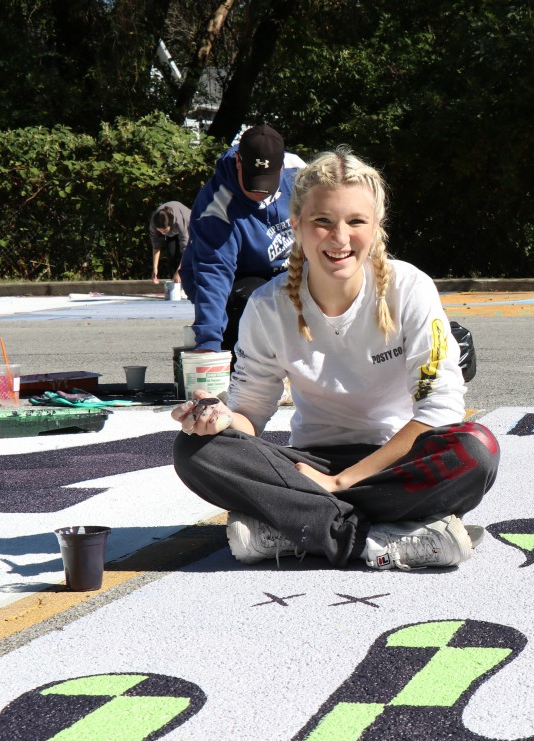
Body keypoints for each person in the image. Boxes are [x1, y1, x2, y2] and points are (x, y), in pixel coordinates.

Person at [171, 146, 500, 571]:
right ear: (297, 226)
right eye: (322, 221)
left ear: (376, 226)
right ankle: (376, 539)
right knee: (195, 450)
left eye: (356, 221)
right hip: (308, 465)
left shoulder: (410, 288)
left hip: (394, 461)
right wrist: (217, 417)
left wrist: (340, 483)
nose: (340, 238)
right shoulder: (267, 306)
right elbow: (251, 412)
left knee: (477, 450)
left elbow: (440, 407)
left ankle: (299, 529)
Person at [180, 124, 307, 353]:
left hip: (288, 267)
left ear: (280, 169)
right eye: (252, 181)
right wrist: (208, 343)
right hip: (237, 277)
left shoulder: (300, 173)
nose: (259, 192)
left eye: (266, 182)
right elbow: (214, 273)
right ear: (238, 161)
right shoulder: (216, 206)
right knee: (246, 302)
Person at [148, 201, 190, 285]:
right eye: (160, 231)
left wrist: (179, 272)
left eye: (165, 230)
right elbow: (156, 246)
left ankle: (187, 283)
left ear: (171, 224)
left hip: (189, 226)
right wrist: (155, 269)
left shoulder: (180, 221)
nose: (163, 233)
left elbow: (186, 250)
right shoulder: (154, 224)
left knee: (186, 258)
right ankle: (175, 285)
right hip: (172, 233)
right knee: (172, 254)